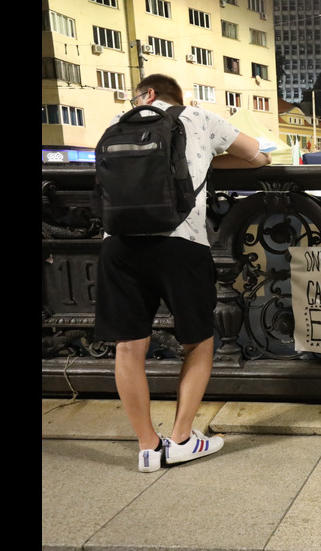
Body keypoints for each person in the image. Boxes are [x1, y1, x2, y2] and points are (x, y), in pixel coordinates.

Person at [94, 74, 272, 472]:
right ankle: (181, 439)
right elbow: (254, 151)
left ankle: (146, 447)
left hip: (118, 244)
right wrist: (257, 161)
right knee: (199, 341)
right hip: (180, 243)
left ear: (149, 94)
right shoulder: (198, 118)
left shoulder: (116, 128)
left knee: (128, 346)